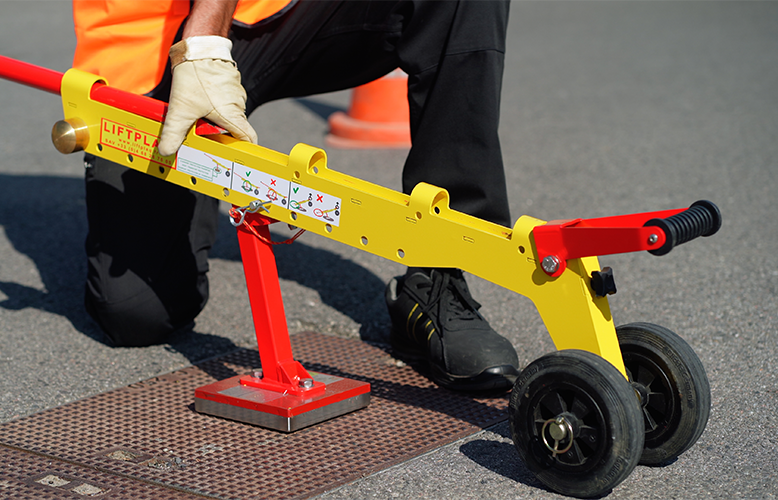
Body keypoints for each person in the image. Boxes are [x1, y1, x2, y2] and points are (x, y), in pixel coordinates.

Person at [72, 0, 519, 392]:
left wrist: (206, 42)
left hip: (276, 15)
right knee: (137, 312)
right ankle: (197, 164)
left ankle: (439, 276)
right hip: (146, 47)